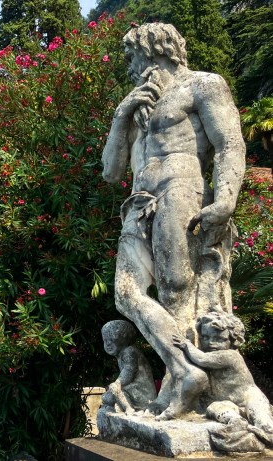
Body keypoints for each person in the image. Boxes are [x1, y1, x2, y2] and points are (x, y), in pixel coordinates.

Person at [101, 23, 246, 419]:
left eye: (131, 57)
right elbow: (111, 171)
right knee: (125, 294)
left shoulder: (202, 85)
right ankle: (184, 371)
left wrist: (226, 199)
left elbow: (230, 143)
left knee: (175, 290)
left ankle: (188, 388)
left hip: (181, 190)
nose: (129, 66)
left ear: (153, 49)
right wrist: (122, 114)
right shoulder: (137, 105)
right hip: (137, 202)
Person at [173, 312, 273, 445]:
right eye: (205, 337)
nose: (210, 343)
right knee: (214, 408)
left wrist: (187, 345)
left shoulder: (231, 356)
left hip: (249, 398)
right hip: (227, 402)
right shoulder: (210, 354)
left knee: (263, 421)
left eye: (219, 339)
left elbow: (202, 359)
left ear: (233, 340)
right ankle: (236, 421)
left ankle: (266, 432)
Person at [101, 320, 157, 414]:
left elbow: (129, 371)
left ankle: (129, 408)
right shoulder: (122, 354)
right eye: (105, 340)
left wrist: (118, 383)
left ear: (125, 338)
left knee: (111, 394)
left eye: (112, 339)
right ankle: (122, 406)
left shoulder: (129, 351)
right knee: (107, 397)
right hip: (134, 389)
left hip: (142, 393)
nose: (108, 343)